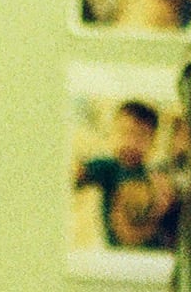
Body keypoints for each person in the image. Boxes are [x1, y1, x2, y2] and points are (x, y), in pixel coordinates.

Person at [78, 100, 182, 250]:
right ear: (113, 133)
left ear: (152, 142)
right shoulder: (108, 168)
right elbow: (76, 175)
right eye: (125, 132)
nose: (131, 142)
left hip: (154, 254)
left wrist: (166, 204)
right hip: (118, 255)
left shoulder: (156, 176)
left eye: (141, 136)